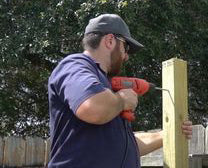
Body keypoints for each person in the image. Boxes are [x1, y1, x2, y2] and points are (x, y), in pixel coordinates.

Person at [48, 13, 192, 168]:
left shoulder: (105, 88)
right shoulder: (74, 66)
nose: (126, 56)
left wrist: (169, 133)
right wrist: (123, 99)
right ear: (110, 41)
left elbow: (125, 144)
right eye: (126, 47)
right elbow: (92, 107)